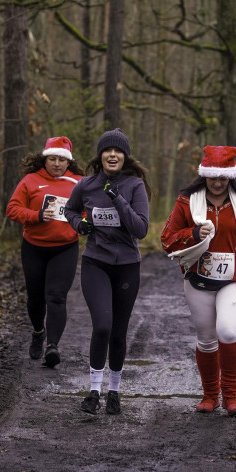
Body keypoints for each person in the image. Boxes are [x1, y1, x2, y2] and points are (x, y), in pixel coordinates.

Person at [160, 146, 236, 415]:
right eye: (213, 178)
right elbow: (167, 239)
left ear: (231, 176)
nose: (218, 183)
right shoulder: (188, 200)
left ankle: (231, 396)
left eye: (223, 178)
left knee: (229, 331)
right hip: (198, 276)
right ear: (204, 176)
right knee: (207, 339)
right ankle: (209, 396)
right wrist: (195, 233)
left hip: (235, 276)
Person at [63, 128, 151, 415]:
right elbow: (70, 211)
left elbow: (140, 229)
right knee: (102, 325)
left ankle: (114, 390)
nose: (112, 155)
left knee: (118, 331)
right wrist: (79, 225)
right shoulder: (86, 185)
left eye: (118, 151)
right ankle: (93, 392)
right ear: (100, 155)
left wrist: (117, 198)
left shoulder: (135, 186)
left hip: (127, 265)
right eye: (107, 150)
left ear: (124, 157)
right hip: (96, 262)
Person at [6, 136, 84, 368]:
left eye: (62, 159)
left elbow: (89, 210)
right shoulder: (30, 181)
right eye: (53, 159)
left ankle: (53, 346)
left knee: (57, 296)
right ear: (45, 159)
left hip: (65, 247)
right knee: (36, 297)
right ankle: (38, 332)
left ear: (68, 162)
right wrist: (36, 216)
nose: (57, 163)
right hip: (34, 247)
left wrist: (82, 222)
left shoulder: (79, 183)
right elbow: (12, 209)